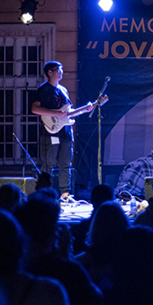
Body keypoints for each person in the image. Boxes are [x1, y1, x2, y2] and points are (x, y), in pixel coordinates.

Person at [31, 61, 93, 202]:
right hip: (50, 132)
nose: (61, 72)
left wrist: (85, 109)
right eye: (58, 70)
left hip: (65, 132)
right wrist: (55, 113)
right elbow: (35, 109)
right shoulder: (43, 90)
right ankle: (45, 194)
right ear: (50, 72)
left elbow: (68, 113)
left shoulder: (63, 90)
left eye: (61, 70)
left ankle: (65, 195)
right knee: (49, 164)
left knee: (65, 164)